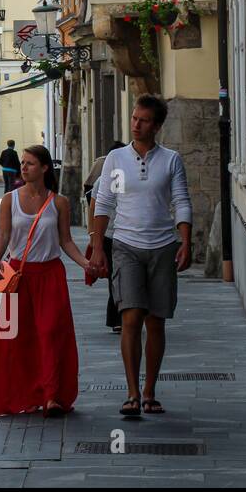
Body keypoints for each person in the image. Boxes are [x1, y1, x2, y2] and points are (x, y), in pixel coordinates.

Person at [89, 95, 193, 419]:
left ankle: (150, 391)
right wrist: (96, 246)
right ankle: (132, 393)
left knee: (156, 321)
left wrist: (186, 242)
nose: (136, 124)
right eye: (134, 118)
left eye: (144, 120)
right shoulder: (115, 159)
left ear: (157, 125)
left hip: (163, 246)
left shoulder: (171, 160)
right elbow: (102, 202)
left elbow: (182, 201)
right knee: (130, 317)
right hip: (125, 245)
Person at [0, 145, 90, 417]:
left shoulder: (59, 203)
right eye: (22, 162)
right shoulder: (10, 199)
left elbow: (66, 241)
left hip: (50, 276)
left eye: (30, 163)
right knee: (16, 339)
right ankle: (22, 395)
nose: (23, 167)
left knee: (51, 334)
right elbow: (3, 234)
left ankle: (52, 395)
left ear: (44, 168)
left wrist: (86, 264)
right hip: (18, 277)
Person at [83, 140, 127, 333]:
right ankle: (117, 317)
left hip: (127, 233)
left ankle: (125, 314)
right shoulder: (103, 180)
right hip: (110, 234)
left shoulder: (129, 177)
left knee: (122, 277)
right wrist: (94, 237)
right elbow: (94, 208)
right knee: (114, 277)